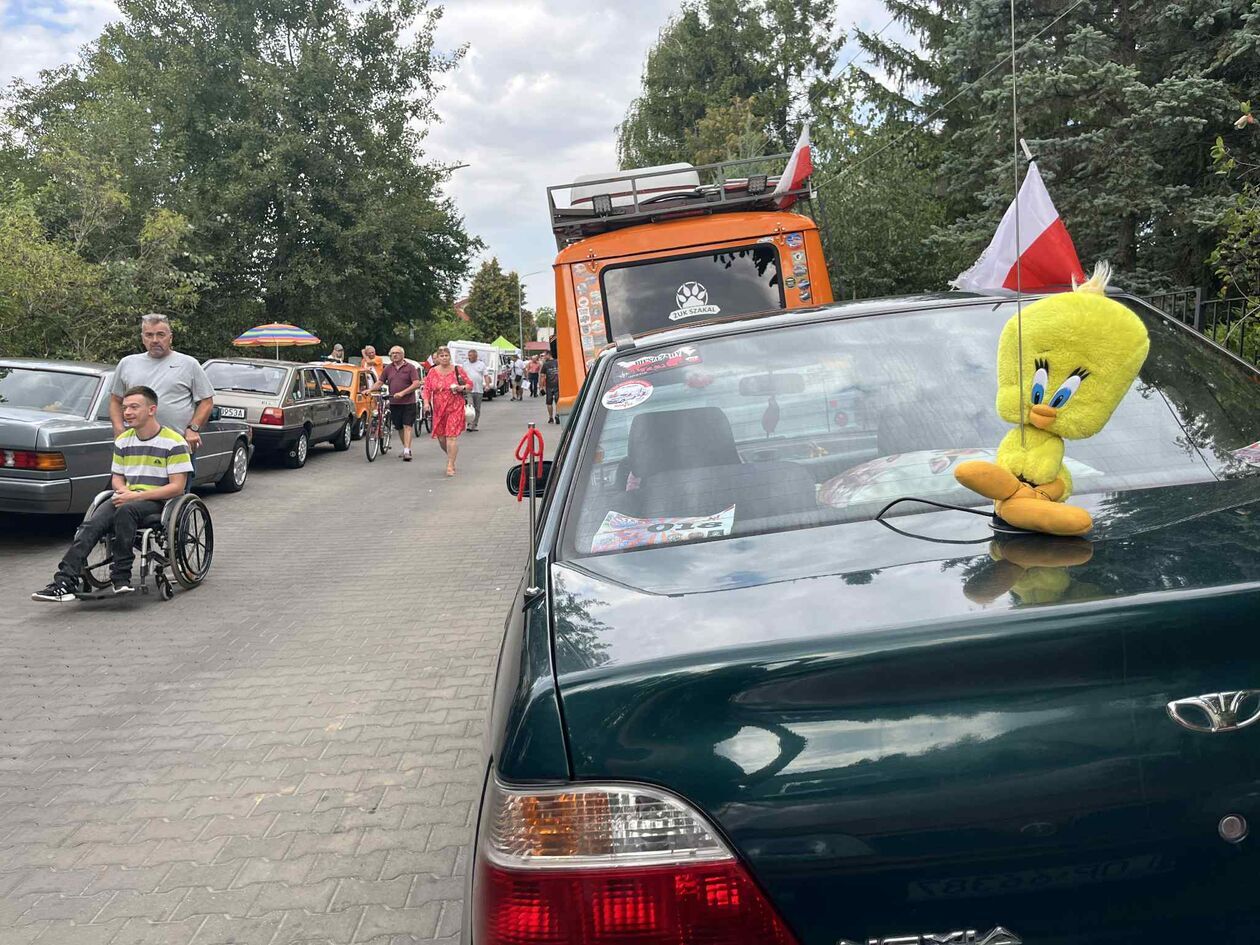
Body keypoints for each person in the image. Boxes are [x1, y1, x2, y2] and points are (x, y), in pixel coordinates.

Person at [34, 386, 193, 601]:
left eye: (134, 407)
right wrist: (123, 490)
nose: (127, 412)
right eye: (125, 408)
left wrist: (135, 496)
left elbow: (177, 487)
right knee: (91, 525)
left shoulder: (174, 442)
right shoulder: (123, 441)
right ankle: (64, 581)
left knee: (126, 511)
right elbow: (117, 477)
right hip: (125, 497)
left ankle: (121, 575)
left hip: (158, 501)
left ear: (151, 410)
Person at [110, 314, 213, 486]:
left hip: (175, 447)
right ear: (142, 338)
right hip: (136, 447)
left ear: (170, 337)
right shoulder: (127, 363)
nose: (155, 340)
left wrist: (193, 428)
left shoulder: (189, 364)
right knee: (132, 494)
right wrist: (119, 429)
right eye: (149, 335)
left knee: (175, 495)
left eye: (160, 335)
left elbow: (206, 401)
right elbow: (115, 400)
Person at [365, 346, 422, 460]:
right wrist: (370, 390)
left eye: (397, 353)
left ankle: (407, 451)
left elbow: (416, 384)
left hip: (408, 402)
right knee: (399, 426)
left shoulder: (410, 368)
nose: (394, 355)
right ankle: (406, 448)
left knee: (407, 425)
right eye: (392, 354)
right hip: (394, 402)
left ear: (403, 355)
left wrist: (403, 393)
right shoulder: (388, 368)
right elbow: (380, 382)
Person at [422, 346, 469, 477]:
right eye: (441, 356)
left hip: (455, 406)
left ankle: (450, 464)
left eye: (446, 355)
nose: (444, 358)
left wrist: (460, 387)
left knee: (451, 436)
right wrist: (426, 403)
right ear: (437, 358)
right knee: (442, 438)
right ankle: (451, 456)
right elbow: (427, 389)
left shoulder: (457, 370)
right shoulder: (432, 372)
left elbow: (469, 384)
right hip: (439, 408)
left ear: (450, 357)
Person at [461, 349, 488, 432]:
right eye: (468, 355)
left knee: (477, 408)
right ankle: (469, 424)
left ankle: (475, 424)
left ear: (475, 356)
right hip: (469, 389)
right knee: (470, 407)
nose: (469, 357)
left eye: (471, 356)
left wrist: (487, 385)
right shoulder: (465, 364)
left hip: (479, 390)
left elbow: (486, 375)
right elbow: (462, 375)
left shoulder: (481, 364)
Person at [541, 351, 560, 424]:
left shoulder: (545, 364)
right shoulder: (558, 362)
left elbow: (542, 376)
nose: (544, 357)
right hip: (558, 385)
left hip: (549, 386)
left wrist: (541, 387)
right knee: (558, 401)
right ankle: (557, 415)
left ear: (549, 355)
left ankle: (551, 418)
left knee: (549, 402)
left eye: (545, 355)